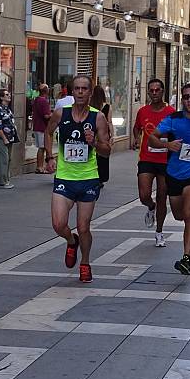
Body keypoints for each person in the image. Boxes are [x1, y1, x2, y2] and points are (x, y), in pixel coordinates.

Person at [45, 75, 111, 283]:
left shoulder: (98, 117)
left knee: (84, 227)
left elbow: (107, 151)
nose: (81, 92)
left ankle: (85, 262)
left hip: (88, 178)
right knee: (58, 224)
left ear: (91, 93)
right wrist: (49, 156)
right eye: (77, 89)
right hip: (64, 177)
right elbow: (48, 133)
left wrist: (94, 143)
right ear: (71, 92)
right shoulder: (60, 113)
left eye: (84, 89)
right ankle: (70, 241)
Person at [148, 83, 190, 275]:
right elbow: (152, 138)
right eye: (186, 97)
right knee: (179, 215)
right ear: (182, 99)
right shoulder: (173, 119)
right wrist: (167, 145)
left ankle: (186, 258)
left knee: (189, 213)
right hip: (174, 173)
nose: (189, 100)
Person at [132, 79, 175, 247]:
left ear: (163, 91)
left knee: (163, 196)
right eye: (152, 90)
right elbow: (137, 128)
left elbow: (177, 132)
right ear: (148, 92)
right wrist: (136, 139)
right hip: (147, 158)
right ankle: (151, 206)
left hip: (165, 160)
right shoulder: (142, 111)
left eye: (158, 90)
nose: (155, 93)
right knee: (144, 195)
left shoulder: (171, 112)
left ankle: (159, 232)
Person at [0, 89, 19, 189]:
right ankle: (2, 181)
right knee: (3, 158)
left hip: (10, 136)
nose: (9, 95)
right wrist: (4, 137)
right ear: (1, 97)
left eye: (9, 94)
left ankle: (6, 179)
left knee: (8, 158)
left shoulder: (7, 108)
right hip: (2, 137)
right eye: (6, 94)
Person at [90, 84, 114, 186]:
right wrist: (112, 135)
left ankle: (92, 175)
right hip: (103, 133)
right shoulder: (107, 107)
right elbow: (109, 122)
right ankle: (101, 177)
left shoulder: (90, 105)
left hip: (93, 132)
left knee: (92, 155)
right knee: (103, 155)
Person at [32, 83, 51, 174]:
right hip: (42, 127)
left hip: (37, 126)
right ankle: (40, 167)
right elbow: (46, 116)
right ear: (46, 91)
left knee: (42, 147)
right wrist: (54, 115)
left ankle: (40, 166)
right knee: (42, 147)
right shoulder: (43, 101)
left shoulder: (37, 100)